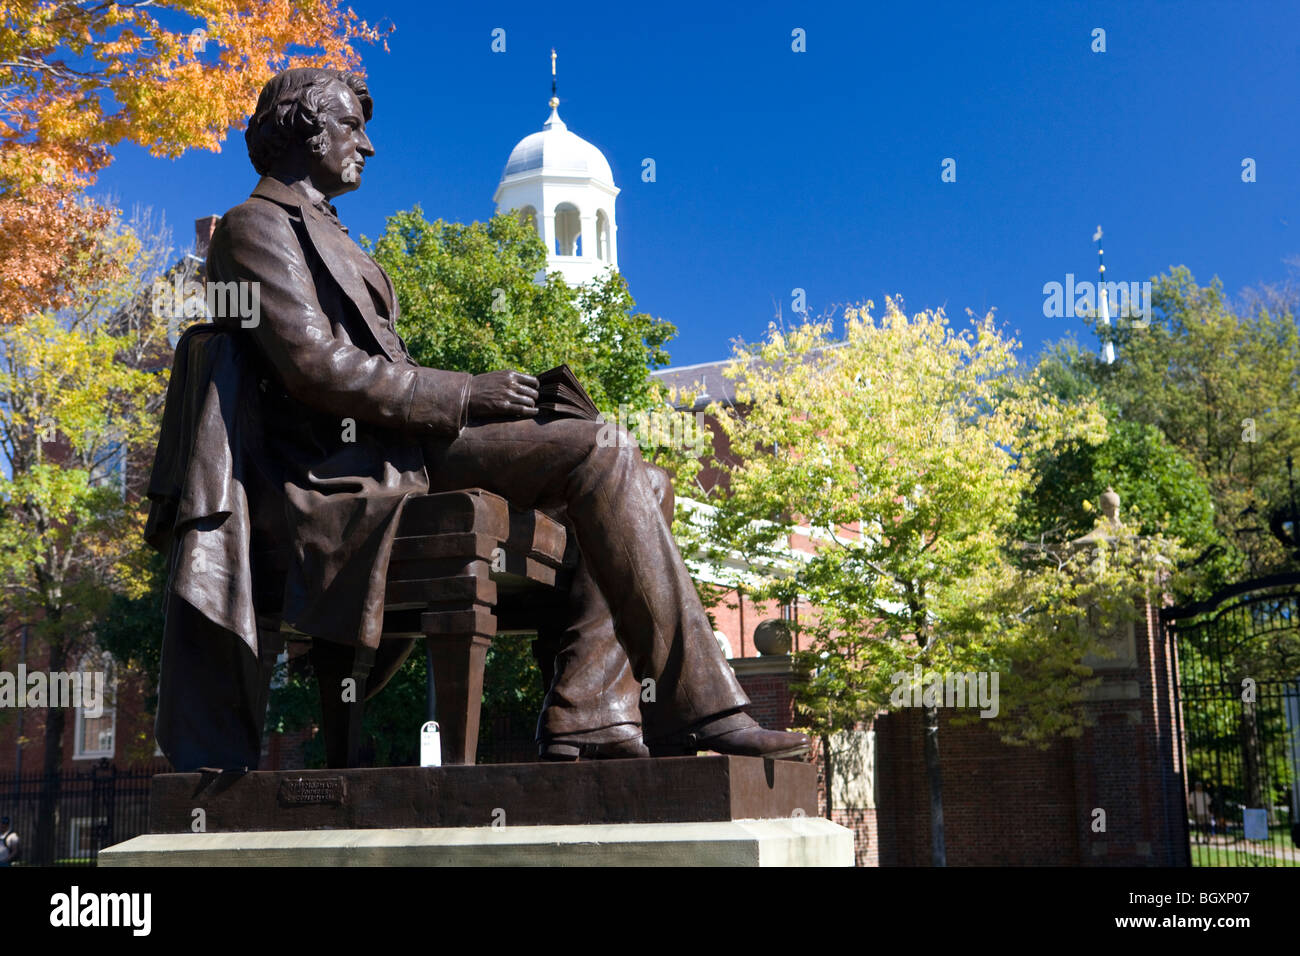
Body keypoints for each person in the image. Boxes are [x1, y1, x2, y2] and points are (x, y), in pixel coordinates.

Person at [148, 67, 809, 769]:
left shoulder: (327, 232)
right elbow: (316, 367)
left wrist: (497, 401)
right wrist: (470, 393)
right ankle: (703, 711)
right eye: (351, 127)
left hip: (401, 451)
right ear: (303, 130)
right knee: (601, 448)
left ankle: (591, 716)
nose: (367, 147)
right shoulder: (255, 229)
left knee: (646, 480)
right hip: (341, 470)